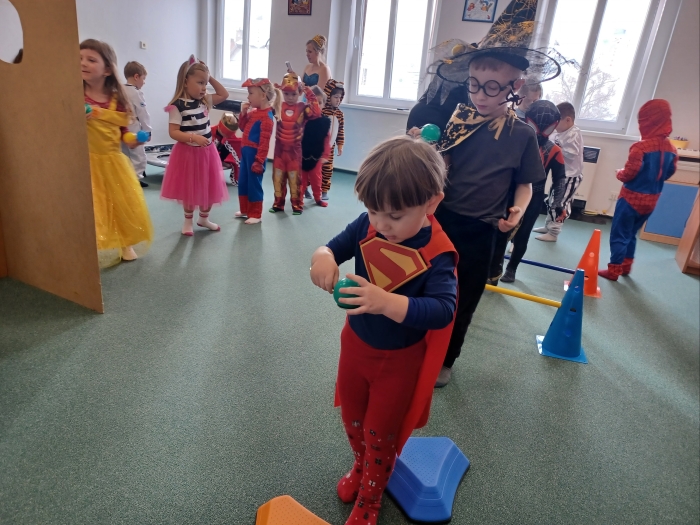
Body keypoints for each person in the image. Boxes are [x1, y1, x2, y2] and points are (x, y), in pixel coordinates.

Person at [310, 136, 457, 525]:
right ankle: (361, 467)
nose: (381, 224)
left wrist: (385, 302)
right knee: (353, 419)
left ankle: (371, 499)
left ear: (431, 204)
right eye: (373, 211)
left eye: (394, 215)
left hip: (398, 362)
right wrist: (322, 257)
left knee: (380, 433)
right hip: (355, 346)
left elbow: (443, 310)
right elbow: (333, 246)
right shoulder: (368, 226)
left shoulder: (438, 252)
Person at [423, 0, 561, 387]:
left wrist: (518, 209)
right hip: (440, 221)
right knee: (427, 285)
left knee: (465, 297)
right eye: (474, 85)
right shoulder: (459, 120)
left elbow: (526, 183)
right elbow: (440, 163)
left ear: (515, 87)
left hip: (482, 230)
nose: (480, 96)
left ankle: (447, 358)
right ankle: (419, 345)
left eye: (492, 87)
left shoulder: (522, 135)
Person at [80, 39, 153, 267]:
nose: (83, 63)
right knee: (90, 205)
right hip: (83, 161)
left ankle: (125, 243)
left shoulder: (117, 101)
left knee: (118, 203)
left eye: (91, 60)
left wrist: (135, 140)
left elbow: (124, 134)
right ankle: (85, 244)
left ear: (107, 69)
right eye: (79, 58)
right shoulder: (75, 94)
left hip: (112, 162)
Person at [599, 99, 678, 281]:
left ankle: (614, 270)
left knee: (619, 233)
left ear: (647, 121)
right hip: (652, 200)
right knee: (631, 233)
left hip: (631, 199)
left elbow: (629, 173)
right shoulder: (672, 148)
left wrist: (618, 173)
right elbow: (669, 171)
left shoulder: (640, 147)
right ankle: (626, 266)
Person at [494, 101, 566, 283]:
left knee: (523, 235)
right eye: (535, 126)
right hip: (507, 193)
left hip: (534, 197)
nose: (540, 133)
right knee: (500, 230)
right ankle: (495, 267)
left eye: (547, 129)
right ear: (527, 120)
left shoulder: (554, 150)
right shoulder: (516, 142)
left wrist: (557, 203)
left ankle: (512, 268)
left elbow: (560, 178)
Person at [161, 56, 230, 235]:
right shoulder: (177, 106)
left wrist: (209, 76)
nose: (204, 87)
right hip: (188, 153)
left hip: (208, 153)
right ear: (185, 82)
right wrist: (193, 138)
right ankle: (188, 221)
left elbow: (224, 94)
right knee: (189, 188)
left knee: (209, 186)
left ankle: (204, 218)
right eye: (200, 83)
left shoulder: (205, 100)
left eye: (205, 83)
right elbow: (173, 132)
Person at [270, 73, 321, 215]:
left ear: (299, 93)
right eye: (286, 93)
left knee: (295, 180)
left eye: (293, 94)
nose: (290, 97)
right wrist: (273, 90)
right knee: (277, 178)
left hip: (294, 153)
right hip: (279, 152)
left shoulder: (303, 107)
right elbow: (266, 104)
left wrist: (308, 91)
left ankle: (297, 205)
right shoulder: (278, 105)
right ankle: (278, 204)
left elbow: (316, 113)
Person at [534, 101, 583, 242]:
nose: (555, 126)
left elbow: (571, 154)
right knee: (551, 200)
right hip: (561, 175)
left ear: (568, 120)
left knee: (559, 203)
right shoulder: (561, 131)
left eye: (557, 122)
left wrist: (555, 149)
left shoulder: (573, 133)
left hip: (570, 176)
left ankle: (554, 233)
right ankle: (548, 226)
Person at [235, 78, 280, 224]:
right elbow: (242, 127)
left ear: (263, 95)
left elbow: (264, 143)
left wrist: (259, 161)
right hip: (245, 154)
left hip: (255, 156)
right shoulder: (254, 112)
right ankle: (245, 209)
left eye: (251, 93)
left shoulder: (267, 117)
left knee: (254, 184)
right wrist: (243, 112)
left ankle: (256, 214)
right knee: (243, 181)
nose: (248, 97)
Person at [122, 61, 152, 188]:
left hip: (121, 129)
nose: (144, 82)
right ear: (136, 77)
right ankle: (136, 178)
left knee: (124, 154)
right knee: (138, 155)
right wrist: (147, 130)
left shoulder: (119, 89)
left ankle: (125, 177)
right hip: (134, 130)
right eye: (143, 78)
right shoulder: (136, 93)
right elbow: (142, 113)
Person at [300, 86, 331, 207]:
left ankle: (318, 198)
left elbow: (326, 141)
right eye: (313, 102)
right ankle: (299, 200)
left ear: (323, 104)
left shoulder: (324, 123)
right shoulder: (303, 120)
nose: (316, 105)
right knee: (301, 180)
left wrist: (325, 155)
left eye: (320, 102)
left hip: (316, 157)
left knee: (316, 179)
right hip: (302, 155)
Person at [319, 79, 346, 201]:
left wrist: (340, 145)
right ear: (328, 96)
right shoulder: (322, 111)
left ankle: (324, 190)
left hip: (330, 148)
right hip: (318, 147)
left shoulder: (340, 114)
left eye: (340, 97)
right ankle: (307, 188)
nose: (338, 100)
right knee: (314, 167)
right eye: (335, 97)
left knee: (327, 170)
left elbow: (340, 131)